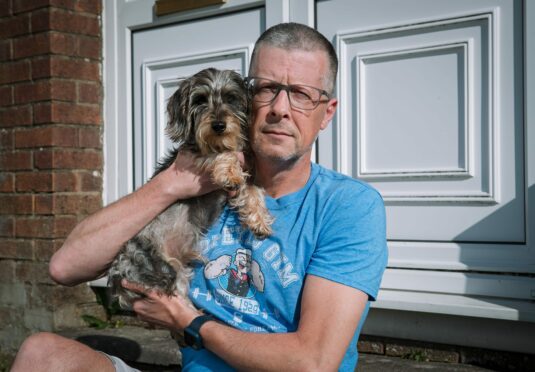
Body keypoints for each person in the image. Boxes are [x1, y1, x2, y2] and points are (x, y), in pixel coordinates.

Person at [11, 22, 388, 371]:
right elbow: (64, 268)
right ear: (248, 99)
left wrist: (188, 321)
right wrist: (172, 183)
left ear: (327, 113)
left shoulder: (348, 206)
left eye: (302, 94)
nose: (279, 109)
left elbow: (314, 363)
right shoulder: (200, 184)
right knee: (41, 352)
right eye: (268, 88)